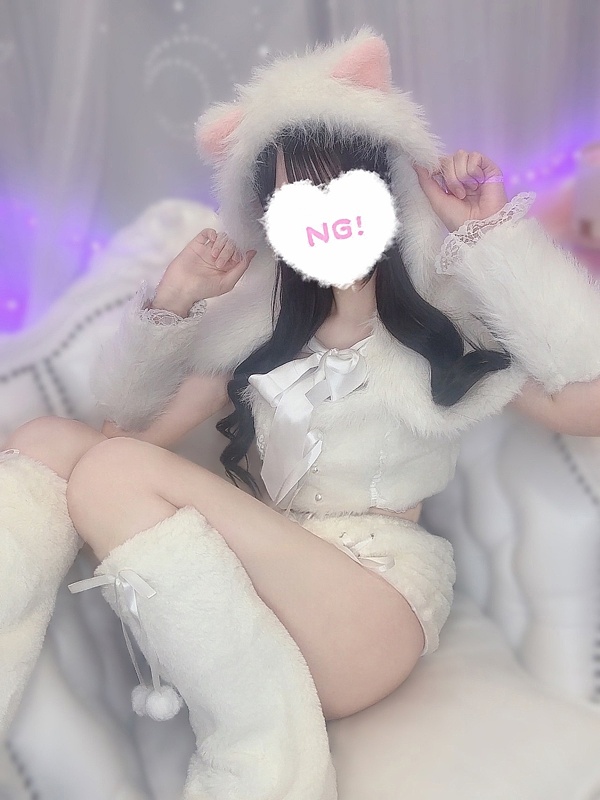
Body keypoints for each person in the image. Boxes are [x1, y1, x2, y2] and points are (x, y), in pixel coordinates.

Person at [3, 25, 600, 799]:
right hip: (253, 610)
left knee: (112, 470)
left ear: (387, 191)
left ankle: (269, 758)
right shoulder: (256, 337)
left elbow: (586, 400)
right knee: (50, 440)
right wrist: (175, 302)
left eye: (344, 188)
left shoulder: (441, 329)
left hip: (370, 612)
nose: (326, 215)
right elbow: (118, 436)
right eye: (299, 198)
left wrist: (487, 236)